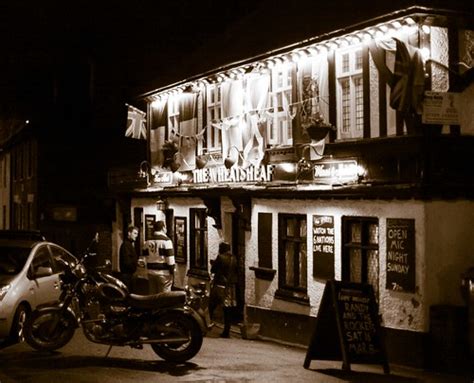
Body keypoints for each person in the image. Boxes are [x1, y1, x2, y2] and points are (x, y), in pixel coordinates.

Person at [209, 241, 238, 338]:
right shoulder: (234, 258)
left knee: (211, 304)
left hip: (220, 285)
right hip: (230, 286)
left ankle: (207, 324)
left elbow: (213, 270)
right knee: (227, 308)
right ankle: (227, 330)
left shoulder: (220, 257)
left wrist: (213, 263)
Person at [145, 220, 175, 293]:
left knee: (153, 296)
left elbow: (145, 257)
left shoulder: (148, 241)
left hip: (151, 272)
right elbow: (170, 260)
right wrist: (172, 272)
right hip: (163, 273)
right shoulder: (166, 241)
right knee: (164, 297)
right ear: (163, 228)